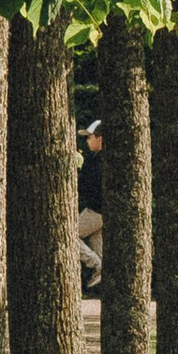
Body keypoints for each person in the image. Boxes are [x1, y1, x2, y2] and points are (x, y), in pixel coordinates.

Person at [75, 118, 104, 292]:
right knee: (97, 244)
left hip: (95, 211)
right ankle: (100, 270)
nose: (87, 141)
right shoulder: (101, 159)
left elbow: (85, 185)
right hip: (102, 213)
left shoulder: (96, 161)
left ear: (100, 138)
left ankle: (96, 263)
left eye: (90, 137)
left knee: (69, 236)